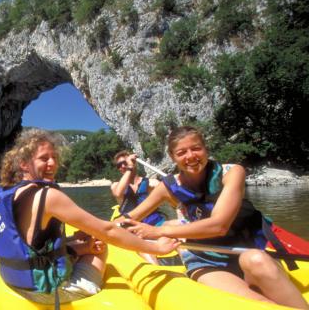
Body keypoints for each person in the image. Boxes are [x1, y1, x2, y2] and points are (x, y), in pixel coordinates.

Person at [119, 126, 308, 309]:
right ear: (172, 157)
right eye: (182, 152)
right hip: (205, 259)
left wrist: (159, 231)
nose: (190, 156)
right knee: (264, 306)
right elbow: (129, 217)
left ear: (205, 149)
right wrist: (101, 230)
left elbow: (219, 226)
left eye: (196, 148)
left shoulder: (232, 173)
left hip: (246, 249)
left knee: (256, 259)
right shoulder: (168, 187)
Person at [0, 128, 179, 306]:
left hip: (13, 282)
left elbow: (31, 244)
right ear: (24, 164)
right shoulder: (48, 196)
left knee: (87, 244)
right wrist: (157, 248)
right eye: (44, 158)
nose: (52, 163)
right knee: (100, 250)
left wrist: (78, 243)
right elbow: (108, 231)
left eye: (54, 157)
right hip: (46, 293)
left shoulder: (9, 194)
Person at [110, 150, 165, 226]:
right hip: (132, 228)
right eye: (119, 165)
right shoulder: (115, 186)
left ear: (134, 162)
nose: (122, 166)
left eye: (125, 162)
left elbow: (169, 191)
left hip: (153, 225)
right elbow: (118, 193)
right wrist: (129, 167)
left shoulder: (152, 183)